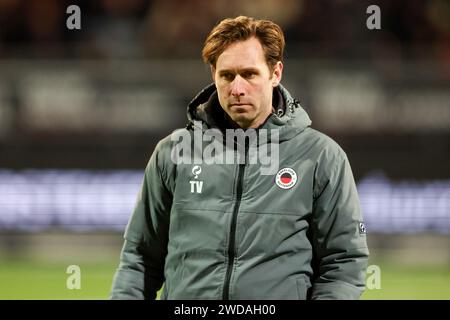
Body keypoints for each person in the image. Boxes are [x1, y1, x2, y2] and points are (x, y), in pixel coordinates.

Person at [110, 15, 369, 300]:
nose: (237, 88)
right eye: (227, 75)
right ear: (213, 75)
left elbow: (343, 263)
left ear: (275, 73)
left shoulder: (321, 157)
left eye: (249, 74)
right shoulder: (172, 153)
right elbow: (140, 259)